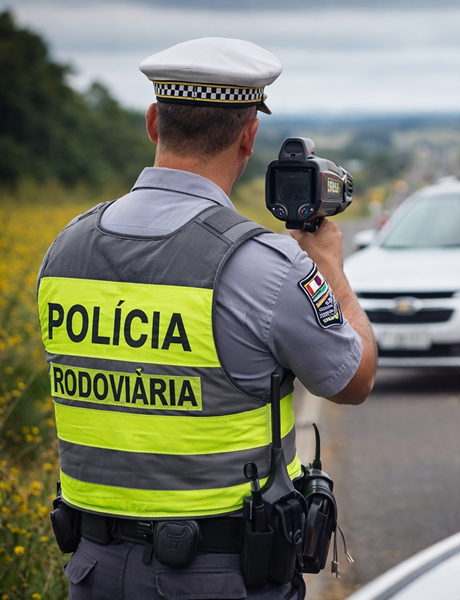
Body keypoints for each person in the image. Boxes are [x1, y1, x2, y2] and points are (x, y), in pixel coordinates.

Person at [36, 37, 377, 599]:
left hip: (92, 570)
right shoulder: (263, 265)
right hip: (219, 576)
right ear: (249, 136)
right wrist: (330, 269)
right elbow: (353, 379)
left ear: (153, 123)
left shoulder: (65, 248)